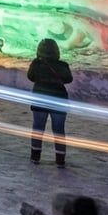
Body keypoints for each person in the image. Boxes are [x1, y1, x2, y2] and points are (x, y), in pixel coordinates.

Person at [26, 38, 72, 167]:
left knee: (38, 128)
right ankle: (60, 159)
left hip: (40, 99)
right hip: (59, 100)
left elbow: (30, 77)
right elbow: (68, 79)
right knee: (59, 130)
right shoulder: (63, 65)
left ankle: (35, 157)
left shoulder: (36, 64)